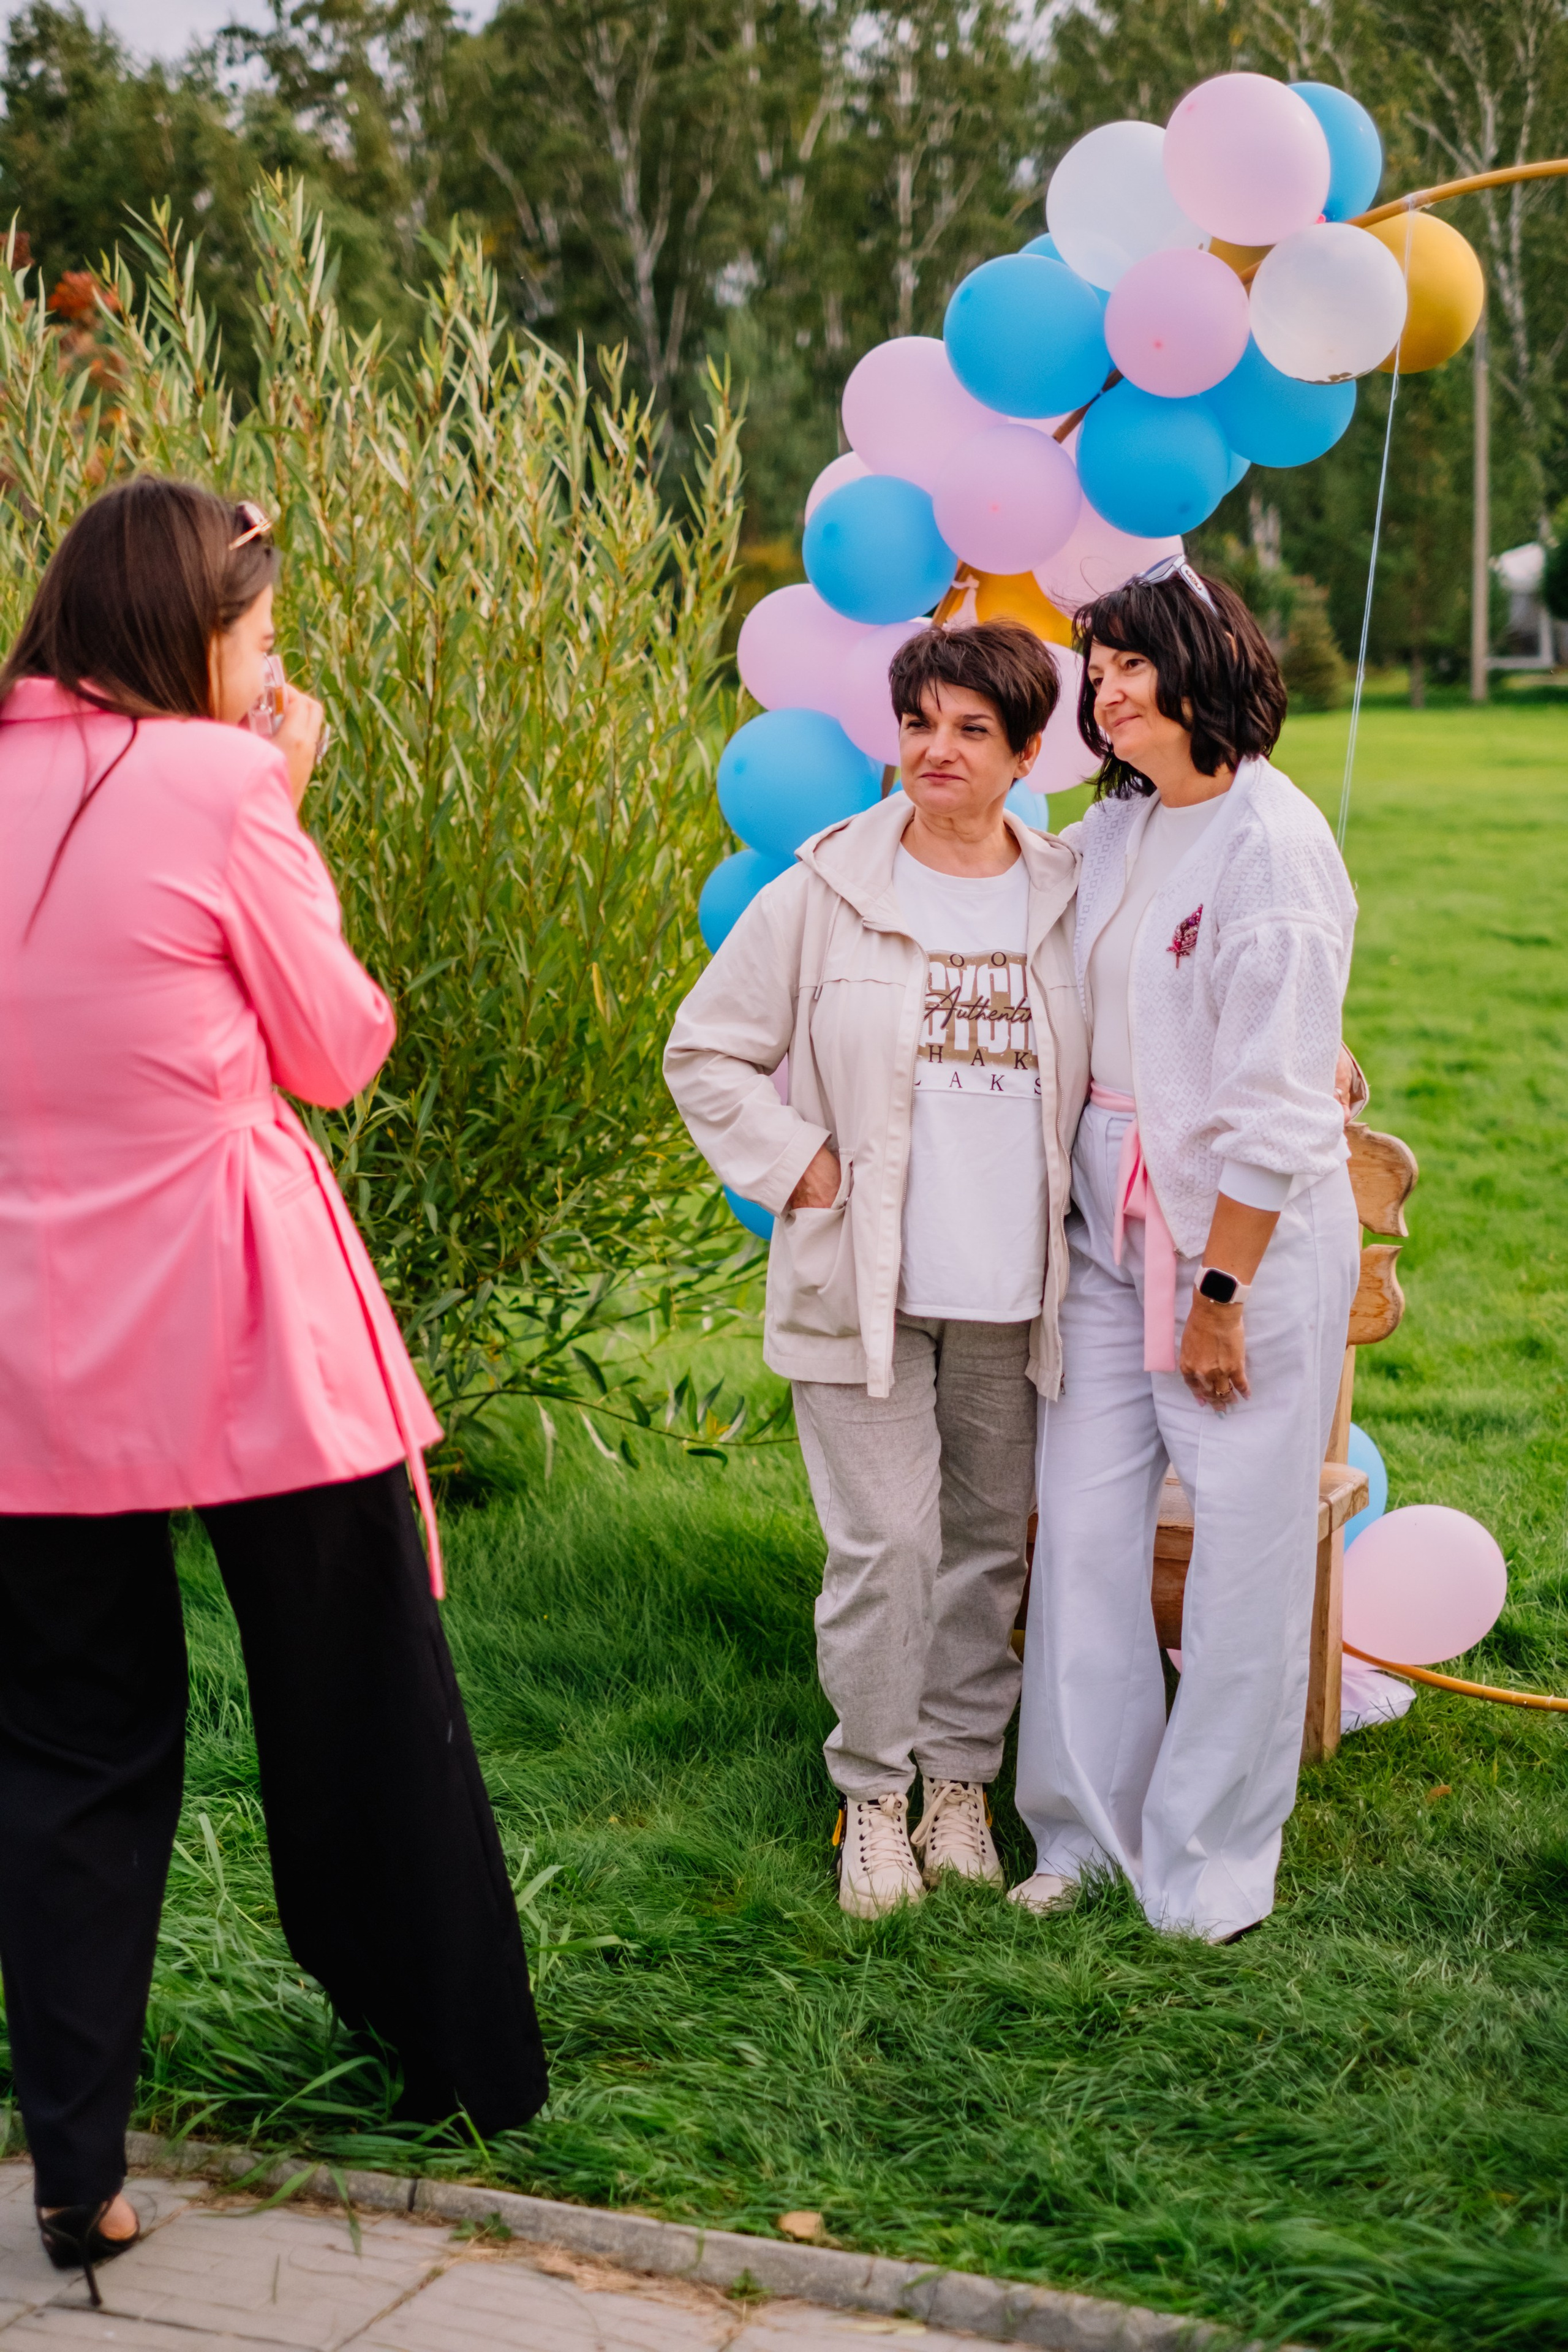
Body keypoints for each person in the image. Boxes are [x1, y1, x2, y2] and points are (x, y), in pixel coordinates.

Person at [0, 477, 546, 2296]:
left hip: (25, 1351)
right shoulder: (224, 785)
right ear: (190, 637)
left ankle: (77, 2162)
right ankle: (461, 2068)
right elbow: (336, 1047)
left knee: (69, 1749)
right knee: (361, 1695)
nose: (275, 670)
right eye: (263, 638)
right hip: (239, 1320)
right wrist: (279, 801)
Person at [665, 622, 1088, 1919]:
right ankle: (872, 1799)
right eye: (918, 723)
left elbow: (1160, 1024)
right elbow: (703, 1051)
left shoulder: (1071, 895)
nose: (936, 750)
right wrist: (797, 1165)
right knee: (886, 1549)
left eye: (971, 729)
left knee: (984, 1553)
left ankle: (958, 1783)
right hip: (866, 1286)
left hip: (1016, 1294)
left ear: (1026, 754)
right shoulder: (825, 889)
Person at [1011, 557, 1360, 1943]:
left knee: (1242, 1558)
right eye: (1093, 670)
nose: (1102, 691)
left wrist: (1219, 1292)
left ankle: (1205, 1866)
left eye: (1127, 665)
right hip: (1104, 1229)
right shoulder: (1115, 825)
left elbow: (1275, 1108)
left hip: (1241, 1246)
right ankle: (1082, 1835)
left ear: (1199, 666)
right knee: (1084, 1532)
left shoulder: (1276, 844)